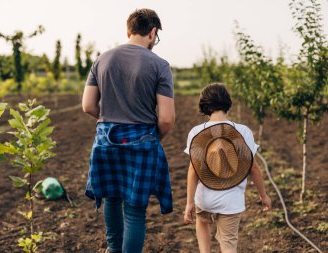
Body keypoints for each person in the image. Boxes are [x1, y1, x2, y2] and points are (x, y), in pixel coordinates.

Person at [82, 8, 175, 253]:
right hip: (142, 141)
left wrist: (111, 118)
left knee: (112, 198)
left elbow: (88, 105)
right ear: (152, 32)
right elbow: (166, 119)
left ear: (128, 30)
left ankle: (113, 250)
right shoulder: (160, 65)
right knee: (134, 210)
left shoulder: (102, 59)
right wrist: (154, 138)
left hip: (106, 141)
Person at [183, 83, 271, 253]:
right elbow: (253, 168)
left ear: (204, 104)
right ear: (227, 102)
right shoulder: (243, 131)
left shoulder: (196, 132)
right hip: (231, 200)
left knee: (202, 222)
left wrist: (189, 203)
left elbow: (193, 170)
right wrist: (263, 195)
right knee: (229, 244)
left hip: (204, 197)